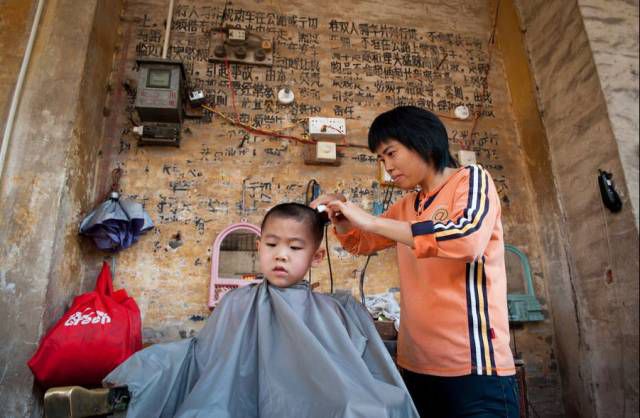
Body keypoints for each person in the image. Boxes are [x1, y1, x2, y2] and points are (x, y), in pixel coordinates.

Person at [104, 203, 419, 418]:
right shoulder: (236, 302)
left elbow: (357, 371)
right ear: (258, 247)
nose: (281, 256)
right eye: (271, 245)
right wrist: (148, 367)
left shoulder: (337, 309)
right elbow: (201, 356)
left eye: (295, 248)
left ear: (317, 256)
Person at [312, 106, 520, 418]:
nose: (388, 167)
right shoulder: (407, 205)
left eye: (391, 153)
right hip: (416, 365)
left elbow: (467, 238)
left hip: (474, 367)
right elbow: (360, 242)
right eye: (381, 159)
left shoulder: (471, 180)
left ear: (421, 141)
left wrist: (369, 220)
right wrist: (343, 220)